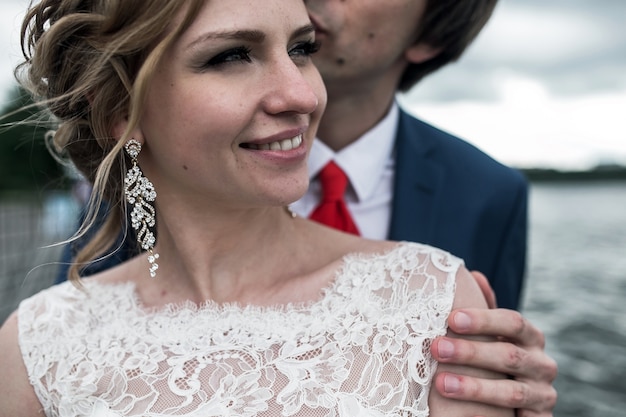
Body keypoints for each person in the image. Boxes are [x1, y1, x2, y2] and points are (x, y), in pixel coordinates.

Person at [0, 0, 515, 416]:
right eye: (230, 56)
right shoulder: (37, 345)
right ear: (117, 108)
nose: (303, 95)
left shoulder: (432, 299)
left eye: (301, 49)